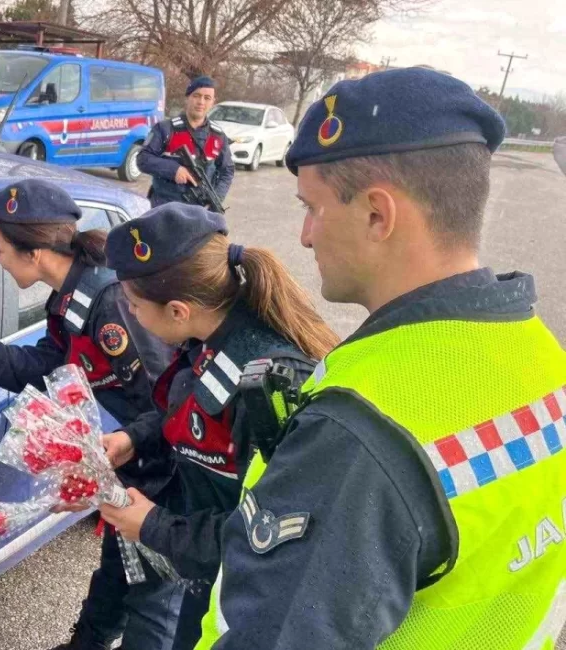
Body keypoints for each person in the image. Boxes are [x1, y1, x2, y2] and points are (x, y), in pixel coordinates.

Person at [195, 68, 566, 649]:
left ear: (377, 214)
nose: (305, 236)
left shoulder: (359, 433)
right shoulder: (541, 356)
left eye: (312, 208)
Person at [0, 179, 180, 650]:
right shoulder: (68, 300)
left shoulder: (109, 305)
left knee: (153, 602)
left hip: (170, 475)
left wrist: (129, 447)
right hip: (136, 468)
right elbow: (44, 367)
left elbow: (173, 401)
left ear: (33, 253)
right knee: (117, 573)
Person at [85, 203, 337, 650]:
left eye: (135, 305)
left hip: (241, 599)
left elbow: (270, 537)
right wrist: (135, 438)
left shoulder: (268, 384)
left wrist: (152, 525)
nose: (131, 315)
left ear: (179, 310)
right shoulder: (210, 339)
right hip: (205, 571)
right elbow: (188, 414)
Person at [138, 76, 234, 209]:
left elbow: (227, 171)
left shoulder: (218, 136)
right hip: (163, 209)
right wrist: (174, 170)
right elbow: (143, 159)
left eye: (207, 98)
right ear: (187, 98)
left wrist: (215, 201)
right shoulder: (165, 129)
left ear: (213, 102)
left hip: (198, 211)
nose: (201, 102)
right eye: (196, 96)